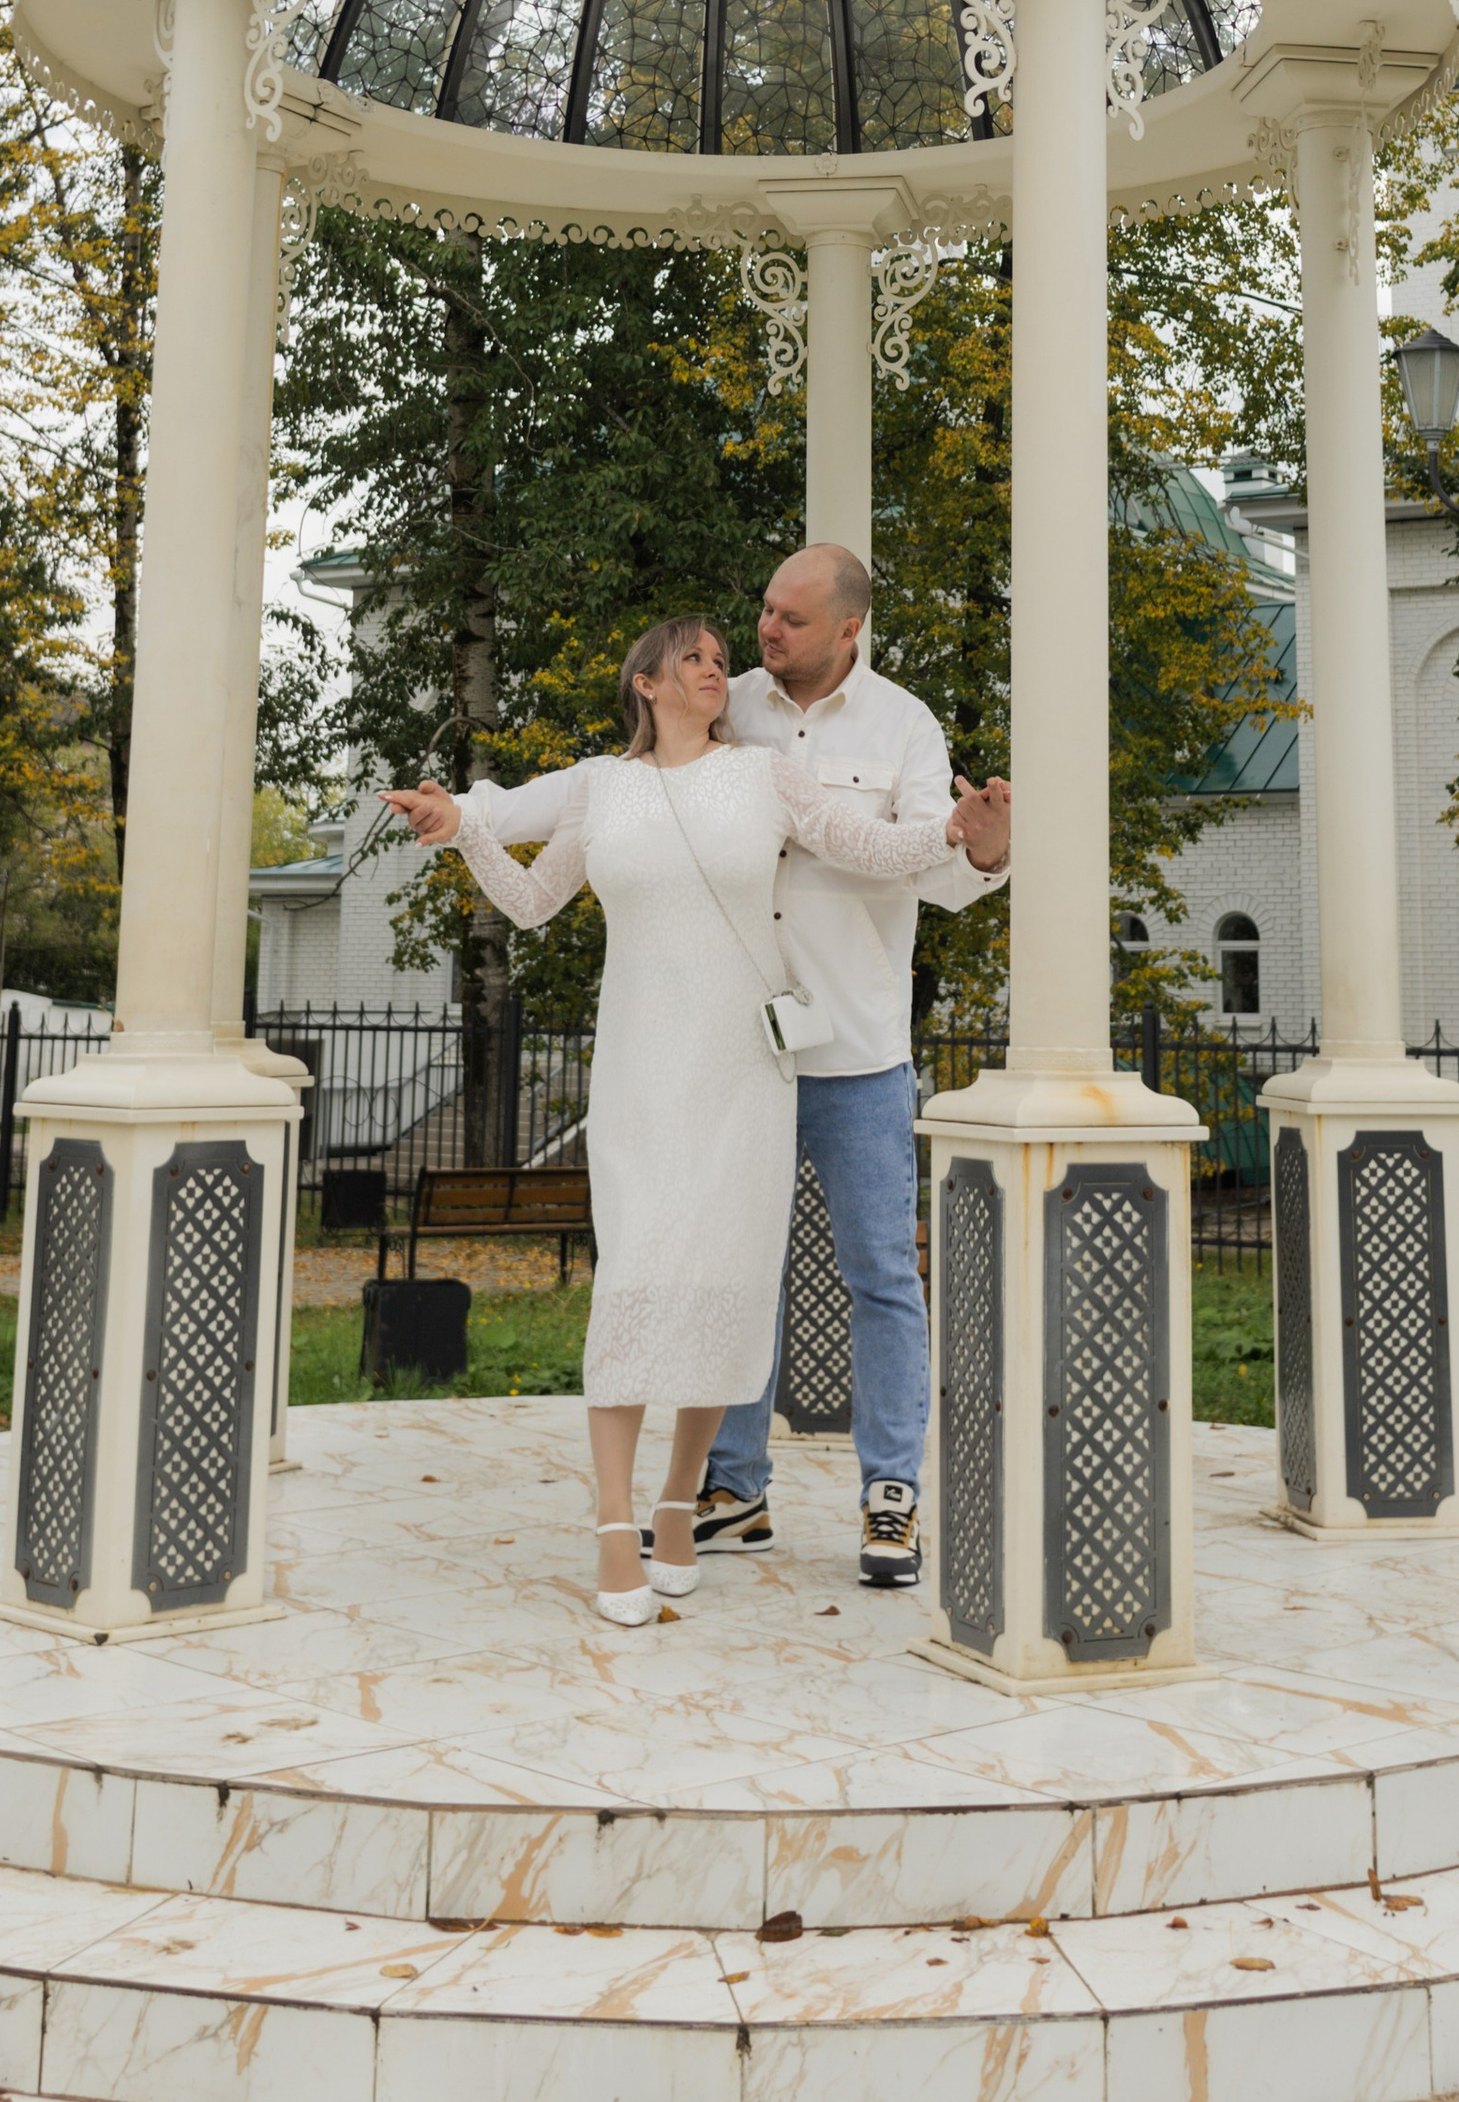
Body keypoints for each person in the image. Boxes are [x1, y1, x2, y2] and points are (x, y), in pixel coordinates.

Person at [382, 614, 1008, 1629]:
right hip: (638, 1070)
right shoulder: (604, 785)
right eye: (696, 660)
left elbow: (862, 842)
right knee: (633, 1284)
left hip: (742, 1073)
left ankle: (681, 1508)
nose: (719, 670)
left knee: (727, 1289)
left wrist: (950, 833)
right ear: (645, 681)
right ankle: (612, 1524)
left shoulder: (764, 777)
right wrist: (466, 832)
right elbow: (536, 902)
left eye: (723, 659)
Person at [700, 542, 1000, 1592]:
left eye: (788, 617)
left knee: (881, 1277)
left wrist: (986, 850)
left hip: (858, 1050)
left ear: (846, 631)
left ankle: (890, 1498)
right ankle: (731, 1488)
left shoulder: (905, 726)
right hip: (735, 1046)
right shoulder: (722, 703)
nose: (765, 630)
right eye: (765, 610)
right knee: (737, 1273)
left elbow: (941, 872)